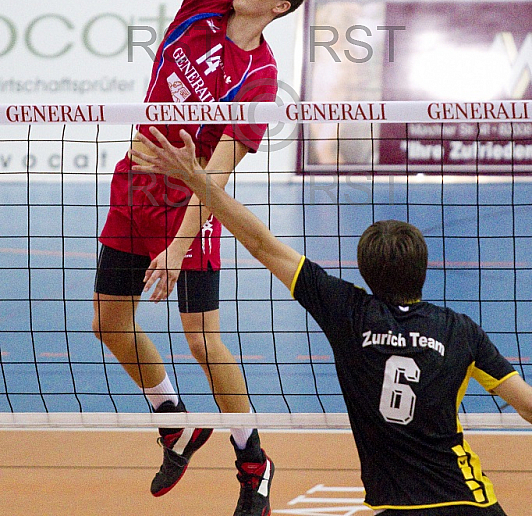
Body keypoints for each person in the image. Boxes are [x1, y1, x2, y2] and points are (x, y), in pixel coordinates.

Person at [92, 0, 308, 516]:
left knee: (202, 338)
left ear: (278, 7)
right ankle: (175, 420)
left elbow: (219, 172)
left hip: (193, 205)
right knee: (109, 324)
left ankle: (254, 462)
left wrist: (180, 246)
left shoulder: (260, 74)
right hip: (133, 184)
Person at [131, 126, 532, 516]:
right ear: (423, 269)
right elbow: (527, 406)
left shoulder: (348, 312)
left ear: (366, 272)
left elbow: (261, 243)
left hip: (396, 506)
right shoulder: (460, 330)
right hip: (472, 503)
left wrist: (196, 180)